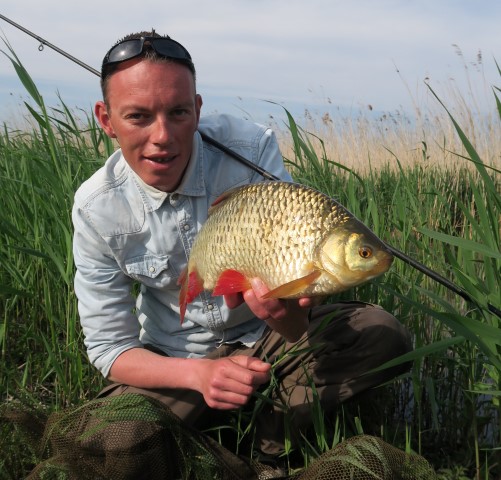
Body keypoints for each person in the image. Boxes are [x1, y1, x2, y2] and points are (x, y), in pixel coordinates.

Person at [72, 30, 412, 456]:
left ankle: (268, 443)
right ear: (106, 120)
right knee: (109, 445)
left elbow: (292, 325)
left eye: (178, 112)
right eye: (138, 116)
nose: (162, 136)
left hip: (263, 341)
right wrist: (198, 376)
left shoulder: (250, 149)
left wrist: (283, 316)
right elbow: (110, 348)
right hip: (175, 356)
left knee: (381, 335)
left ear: (197, 110)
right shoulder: (95, 208)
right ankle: (217, 419)